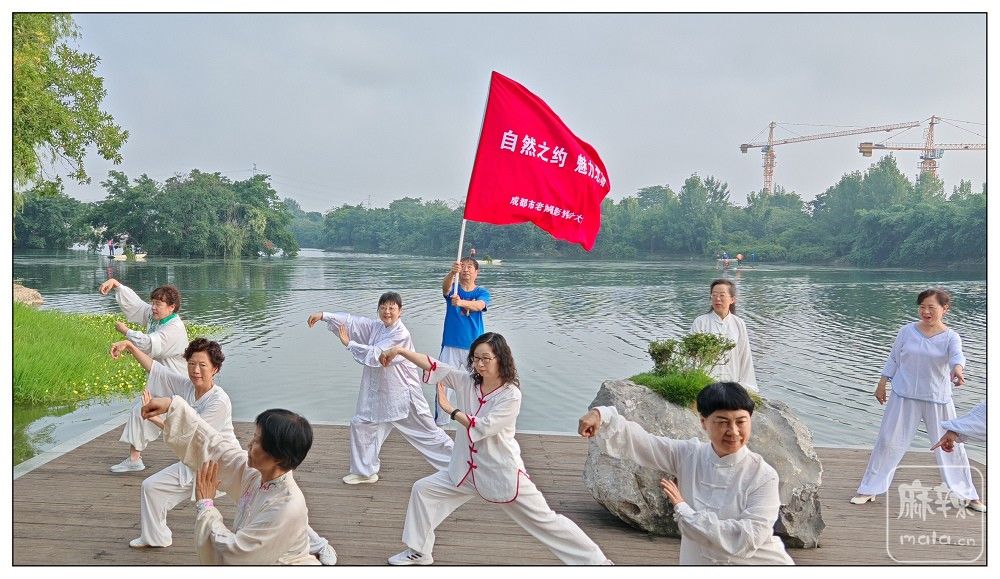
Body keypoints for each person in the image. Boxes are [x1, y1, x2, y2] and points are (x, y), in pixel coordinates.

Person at [380, 332, 611, 565]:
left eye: (486, 358)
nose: (479, 364)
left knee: (546, 521)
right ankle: (419, 551)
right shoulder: (467, 382)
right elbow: (434, 365)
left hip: (502, 474)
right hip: (465, 472)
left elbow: (484, 426)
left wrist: (451, 410)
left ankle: (598, 563)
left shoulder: (511, 395)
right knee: (423, 490)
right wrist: (400, 351)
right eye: (475, 358)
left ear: (500, 358)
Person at [578, 382, 794, 565]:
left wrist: (684, 510)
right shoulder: (690, 455)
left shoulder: (762, 476)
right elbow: (644, 443)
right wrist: (602, 415)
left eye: (741, 421)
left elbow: (747, 537)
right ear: (703, 422)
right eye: (722, 422)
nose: (733, 431)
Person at [140, 395, 325, 564]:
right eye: (253, 438)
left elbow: (237, 555)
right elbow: (216, 447)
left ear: (278, 457)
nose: (249, 444)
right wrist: (172, 405)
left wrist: (206, 506)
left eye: (257, 441)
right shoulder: (257, 475)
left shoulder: (285, 506)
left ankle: (320, 545)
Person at [851, 288, 985, 512]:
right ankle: (869, 489)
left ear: (945, 309)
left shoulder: (951, 337)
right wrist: (882, 383)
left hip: (937, 398)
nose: (926, 311)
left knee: (950, 445)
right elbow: (894, 358)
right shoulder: (906, 331)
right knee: (887, 442)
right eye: (922, 307)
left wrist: (958, 370)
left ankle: (968, 495)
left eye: (931, 307)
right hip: (903, 396)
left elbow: (957, 357)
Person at [307, 291, 453, 485]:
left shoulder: (400, 334)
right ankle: (365, 472)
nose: (387, 311)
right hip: (382, 395)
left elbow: (378, 354)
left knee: (428, 432)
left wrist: (349, 344)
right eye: (383, 308)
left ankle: (461, 464)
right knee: (362, 424)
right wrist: (324, 316)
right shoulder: (378, 327)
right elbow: (353, 322)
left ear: (400, 311)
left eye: (392, 308)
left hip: (404, 396)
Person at [100, 278, 189, 472]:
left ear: (172, 307)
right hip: (161, 379)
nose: (153, 307)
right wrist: (117, 285)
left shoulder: (174, 328)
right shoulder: (155, 317)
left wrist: (126, 332)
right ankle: (134, 459)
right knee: (142, 410)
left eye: (158, 304)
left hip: (177, 382)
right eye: (153, 302)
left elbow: (150, 344)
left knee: (182, 422)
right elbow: (137, 306)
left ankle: (192, 459)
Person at [435, 257, 491, 425]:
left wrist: (461, 302)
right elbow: (444, 288)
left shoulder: (481, 292)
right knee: (443, 383)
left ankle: (474, 422)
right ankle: (440, 424)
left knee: (476, 384)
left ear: (476, 272)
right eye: (463, 266)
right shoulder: (453, 288)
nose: (466, 269)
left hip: (474, 348)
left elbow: (479, 305)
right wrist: (452, 273)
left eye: (470, 267)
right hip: (450, 345)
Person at [690, 279, 758, 391]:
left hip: (732, 384)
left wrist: (746, 387)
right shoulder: (700, 322)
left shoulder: (739, 323)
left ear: (732, 299)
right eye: (714, 295)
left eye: (722, 295)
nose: (717, 299)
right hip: (706, 385)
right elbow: (692, 356)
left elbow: (745, 356)